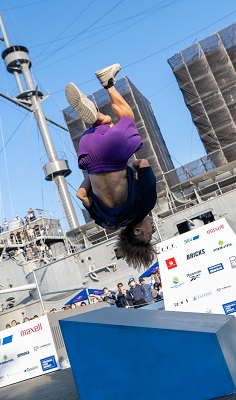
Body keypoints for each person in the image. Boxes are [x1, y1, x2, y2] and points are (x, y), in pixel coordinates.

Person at [66, 64, 157, 269]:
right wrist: (92, 172)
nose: (153, 227)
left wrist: (132, 169)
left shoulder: (145, 204)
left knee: (128, 118)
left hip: (113, 155)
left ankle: (108, 84)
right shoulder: (104, 222)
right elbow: (81, 195)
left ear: (137, 231)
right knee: (105, 123)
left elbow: (141, 163)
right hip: (87, 154)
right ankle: (97, 118)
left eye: (150, 232)